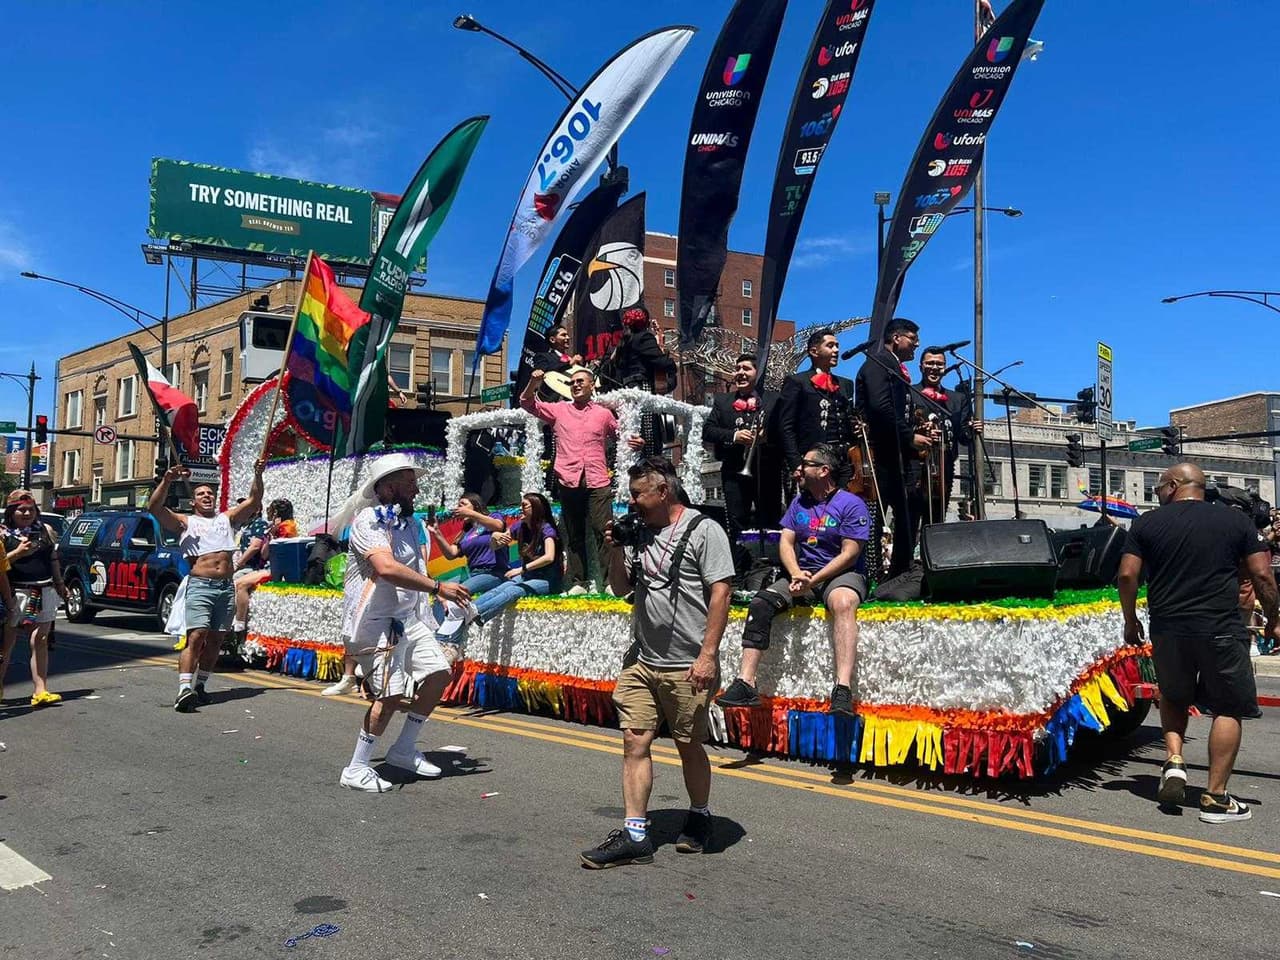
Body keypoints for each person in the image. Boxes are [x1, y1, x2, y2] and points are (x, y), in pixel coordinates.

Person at [581, 457, 735, 869]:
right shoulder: (638, 534)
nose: (631, 502)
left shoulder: (704, 530)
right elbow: (620, 589)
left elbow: (721, 593)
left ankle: (699, 815)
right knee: (634, 741)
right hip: (643, 660)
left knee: (688, 744)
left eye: (638, 494)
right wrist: (616, 550)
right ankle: (635, 836)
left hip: (688, 663)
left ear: (663, 491)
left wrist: (707, 656)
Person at [1117, 462, 1280, 824]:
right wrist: (1274, 620)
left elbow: (1127, 575)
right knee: (1227, 707)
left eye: (1158, 487)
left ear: (1174, 485)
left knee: (1174, 696)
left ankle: (1174, 759)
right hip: (1220, 627)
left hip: (1167, 628)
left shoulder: (1146, 523)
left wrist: (1130, 620)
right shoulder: (1235, 522)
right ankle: (1216, 798)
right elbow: (1262, 574)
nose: (1157, 494)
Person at [333, 453, 472, 793]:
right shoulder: (368, 521)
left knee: (439, 674)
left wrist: (437, 594)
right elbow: (386, 568)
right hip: (376, 622)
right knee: (391, 694)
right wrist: (438, 588)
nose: (416, 489)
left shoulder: (410, 523)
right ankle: (356, 767)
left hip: (409, 618)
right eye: (409, 483)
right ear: (388, 487)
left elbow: (415, 568)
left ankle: (403, 749)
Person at [716, 445, 869, 717]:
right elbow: (786, 542)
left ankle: (842, 690)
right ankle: (745, 682)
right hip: (803, 573)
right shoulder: (799, 503)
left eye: (806, 464)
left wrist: (814, 580)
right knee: (761, 601)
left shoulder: (851, 503)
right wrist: (797, 573)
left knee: (843, 602)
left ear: (824, 471)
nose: (798, 469)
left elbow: (850, 554)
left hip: (840, 574)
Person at [149, 461, 265, 712]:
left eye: (210, 493)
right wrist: (167, 480)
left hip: (225, 587)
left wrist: (258, 474)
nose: (206, 496)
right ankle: (184, 689)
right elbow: (155, 508)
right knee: (196, 636)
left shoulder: (226, 519)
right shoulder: (186, 522)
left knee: (216, 639)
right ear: (193, 502)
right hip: (201, 586)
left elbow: (254, 500)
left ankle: (200, 686)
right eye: (201, 494)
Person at [521, 365, 642, 594]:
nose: (575, 385)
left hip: (598, 479)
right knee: (574, 533)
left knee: (605, 531)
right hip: (567, 479)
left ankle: (609, 583)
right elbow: (527, 403)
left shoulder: (604, 414)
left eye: (580, 381)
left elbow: (621, 436)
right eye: (572, 382)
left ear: (591, 385)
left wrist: (636, 442)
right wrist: (533, 383)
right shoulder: (559, 410)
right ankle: (579, 583)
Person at [856, 318, 933, 579]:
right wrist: (909, 436)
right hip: (881, 453)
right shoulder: (878, 364)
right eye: (913, 339)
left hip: (900, 453)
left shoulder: (894, 366)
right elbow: (880, 408)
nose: (917, 344)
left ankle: (902, 569)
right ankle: (872, 571)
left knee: (909, 511)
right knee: (876, 514)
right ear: (896, 338)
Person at [704, 354, 783, 573]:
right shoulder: (722, 401)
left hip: (767, 471)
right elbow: (708, 431)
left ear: (758, 373)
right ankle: (739, 571)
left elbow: (785, 430)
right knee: (736, 521)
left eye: (746, 368)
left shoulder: (774, 400)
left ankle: (770, 569)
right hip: (734, 471)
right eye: (737, 368)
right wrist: (734, 436)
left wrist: (767, 436)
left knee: (770, 518)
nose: (740, 373)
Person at [452, 492, 563, 632]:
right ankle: (468, 611)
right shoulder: (520, 526)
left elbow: (549, 557)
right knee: (500, 588)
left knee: (514, 590)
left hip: (547, 580)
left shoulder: (546, 529)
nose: (520, 508)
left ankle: (478, 612)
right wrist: (494, 537)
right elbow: (496, 545)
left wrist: (521, 569)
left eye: (524, 506)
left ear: (535, 508)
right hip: (528, 576)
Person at [1, 490, 67, 707]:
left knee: (40, 639)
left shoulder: (45, 530)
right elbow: (1, 564)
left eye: (31, 509)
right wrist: (18, 553)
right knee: (6, 643)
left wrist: (60, 584)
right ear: (11, 511)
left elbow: (53, 559)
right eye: (21, 509)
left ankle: (41, 690)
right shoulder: (3, 534)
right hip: (15, 592)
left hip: (44, 589)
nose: (27, 513)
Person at [426, 493, 508, 649]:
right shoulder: (467, 531)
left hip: (493, 572)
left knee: (457, 594)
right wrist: (436, 532)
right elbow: (451, 553)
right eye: (458, 505)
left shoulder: (493, 517)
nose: (459, 508)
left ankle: (449, 644)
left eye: (463, 504)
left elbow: (498, 526)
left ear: (475, 505)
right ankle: (436, 640)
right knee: (442, 594)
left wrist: (471, 514)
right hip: (474, 574)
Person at [777, 329, 856, 488]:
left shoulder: (845, 384)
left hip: (845, 460)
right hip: (815, 461)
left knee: (844, 501)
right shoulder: (797, 382)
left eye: (837, 346)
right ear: (814, 351)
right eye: (830, 346)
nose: (836, 350)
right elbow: (786, 426)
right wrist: (795, 462)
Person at [913, 347, 978, 526]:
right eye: (930, 363)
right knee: (910, 519)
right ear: (921, 367)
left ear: (945, 368)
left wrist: (972, 429)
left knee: (936, 520)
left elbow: (964, 437)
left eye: (939, 364)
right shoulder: (910, 393)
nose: (934, 368)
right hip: (915, 467)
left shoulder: (957, 399)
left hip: (944, 466)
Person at [230, 498, 297, 645]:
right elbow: (265, 553)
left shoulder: (288, 527)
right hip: (267, 566)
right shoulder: (272, 528)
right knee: (236, 583)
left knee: (241, 584)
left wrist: (275, 534)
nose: (268, 512)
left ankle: (239, 624)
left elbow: (280, 552)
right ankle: (235, 622)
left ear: (276, 512)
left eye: (270, 510)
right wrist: (270, 535)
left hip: (277, 569)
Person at [609, 306, 676, 394]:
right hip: (641, 385)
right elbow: (661, 362)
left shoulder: (624, 340)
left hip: (627, 386)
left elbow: (614, 362)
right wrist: (672, 364)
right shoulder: (644, 337)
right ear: (646, 323)